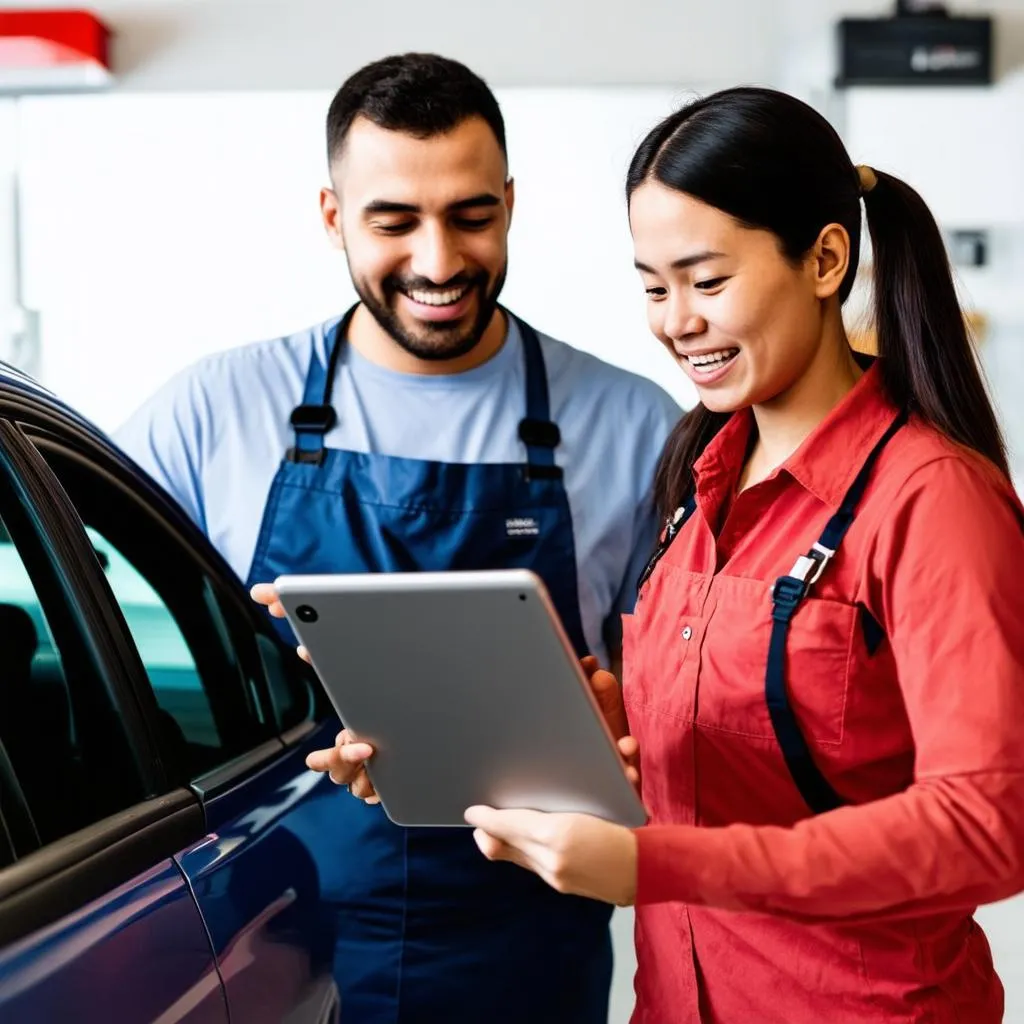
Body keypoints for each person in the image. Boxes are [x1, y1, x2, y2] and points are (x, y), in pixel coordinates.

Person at [114, 53, 681, 1023]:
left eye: (470, 215)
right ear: (334, 216)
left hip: (526, 942)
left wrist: (617, 720)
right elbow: (81, 619)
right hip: (268, 942)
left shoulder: (633, 425)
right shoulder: (213, 411)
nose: (437, 261)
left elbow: (679, 699)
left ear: (509, 203)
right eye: (392, 221)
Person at [455, 86, 1024, 1023]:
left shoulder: (933, 501)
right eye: (652, 284)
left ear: (826, 260)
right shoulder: (695, 477)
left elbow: (985, 827)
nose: (675, 320)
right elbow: (726, 759)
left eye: (707, 281)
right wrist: (594, 742)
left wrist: (654, 863)